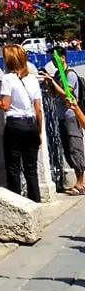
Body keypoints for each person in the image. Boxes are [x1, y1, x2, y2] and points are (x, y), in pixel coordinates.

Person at [0, 44, 42, 203]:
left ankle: (18, 204)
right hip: (31, 125)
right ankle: (35, 202)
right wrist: (39, 132)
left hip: (15, 125)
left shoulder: (8, 79)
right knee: (31, 169)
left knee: (13, 168)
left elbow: (5, 105)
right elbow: (38, 110)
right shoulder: (32, 79)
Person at [43, 60, 85, 194]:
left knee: (75, 147)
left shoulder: (70, 75)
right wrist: (49, 82)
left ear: (62, 58)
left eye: (56, 59)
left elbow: (67, 94)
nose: (54, 62)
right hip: (62, 116)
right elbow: (54, 94)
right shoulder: (58, 75)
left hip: (71, 117)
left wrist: (53, 82)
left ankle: (81, 183)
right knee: (67, 149)